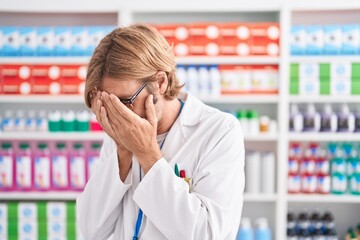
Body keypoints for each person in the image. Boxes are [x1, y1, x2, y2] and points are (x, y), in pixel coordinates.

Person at [76, 24, 245, 240]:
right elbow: (91, 228)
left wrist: (148, 154)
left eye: (125, 101)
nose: (118, 114)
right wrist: (123, 153)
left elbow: (208, 234)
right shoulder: (119, 132)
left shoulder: (219, 131)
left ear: (160, 82)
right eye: (108, 103)